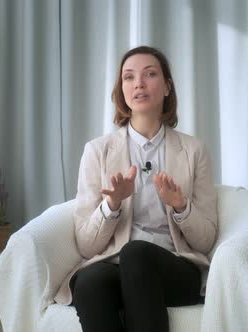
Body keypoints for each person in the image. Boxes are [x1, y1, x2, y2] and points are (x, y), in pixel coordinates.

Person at [53, 46, 218, 332]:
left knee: (137, 253)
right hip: (114, 265)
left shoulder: (193, 150)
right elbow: (86, 245)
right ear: (122, 90)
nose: (138, 83)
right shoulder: (97, 151)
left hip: (175, 268)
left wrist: (181, 207)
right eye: (128, 77)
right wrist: (112, 206)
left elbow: (205, 241)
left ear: (167, 87)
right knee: (91, 281)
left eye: (150, 74)